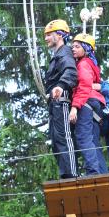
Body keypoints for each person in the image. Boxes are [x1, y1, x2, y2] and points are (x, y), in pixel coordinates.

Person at [44, 19, 79, 179]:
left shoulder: (64, 52)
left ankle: (71, 174)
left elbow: (71, 72)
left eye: (49, 35)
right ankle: (66, 174)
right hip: (55, 102)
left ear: (59, 35)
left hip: (62, 100)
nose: (46, 38)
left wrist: (61, 86)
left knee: (63, 137)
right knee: (56, 139)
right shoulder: (58, 55)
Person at [69, 33, 108, 175]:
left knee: (83, 137)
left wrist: (74, 107)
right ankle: (102, 173)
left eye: (77, 46)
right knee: (93, 142)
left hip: (86, 103)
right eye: (72, 46)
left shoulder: (83, 64)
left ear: (86, 49)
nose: (73, 49)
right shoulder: (91, 65)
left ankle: (93, 172)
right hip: (95, 105)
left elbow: (84, 86)